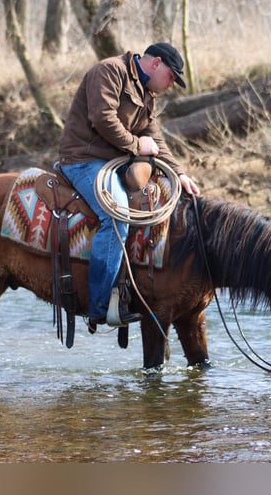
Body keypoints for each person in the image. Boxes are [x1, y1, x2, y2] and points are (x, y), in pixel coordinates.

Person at [56, 42, 201, 327]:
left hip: (114, 161)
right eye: (171, 77)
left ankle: (129, 290)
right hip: (83, 160)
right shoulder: (109, 71)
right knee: (116, 217)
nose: (171, 84)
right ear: (156, 63)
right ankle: (98, 305)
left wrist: (180, 173)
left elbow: (154, 139)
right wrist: (136, 145)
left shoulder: (147, 94)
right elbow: (102, 118)